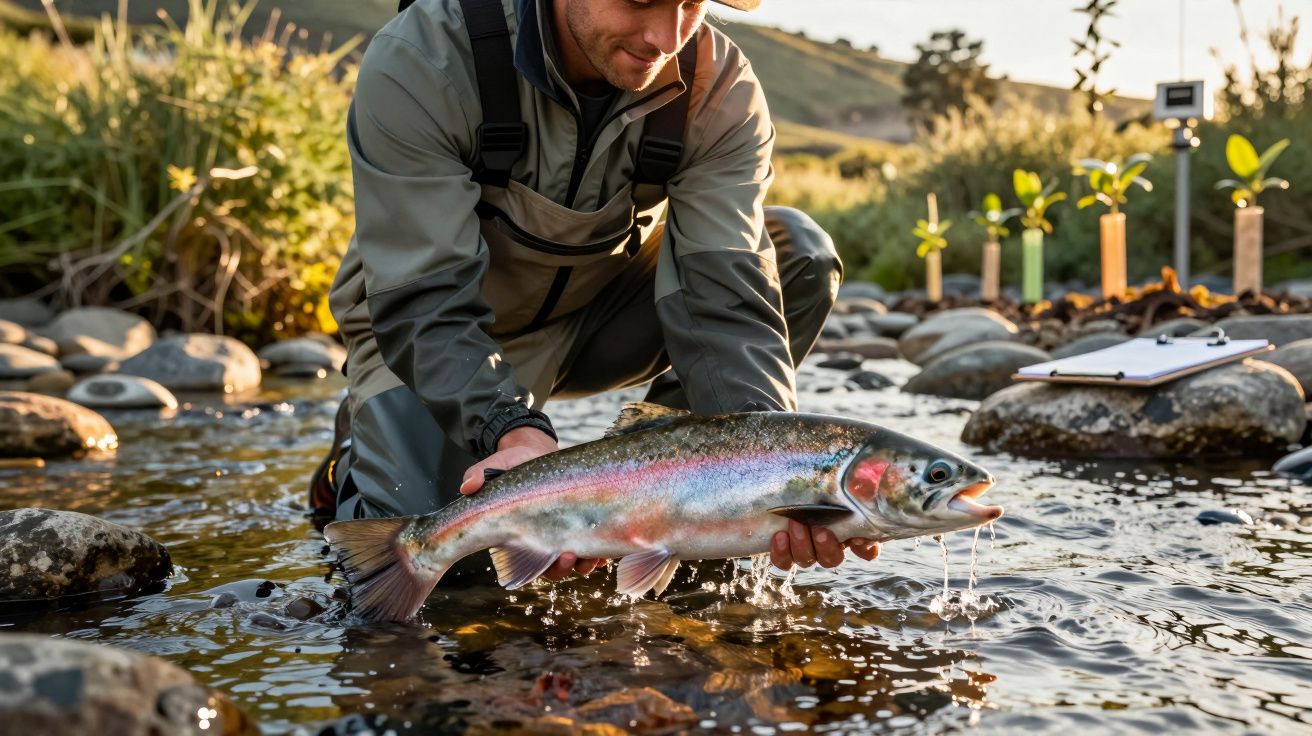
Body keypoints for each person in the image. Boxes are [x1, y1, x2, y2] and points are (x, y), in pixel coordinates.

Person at [316, 0, 881, 583]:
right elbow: (423, 300)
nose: (666, 37)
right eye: (641, 0)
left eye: (690, 4)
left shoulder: (720, 88)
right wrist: (510, 427)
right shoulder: (424, 57)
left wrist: (772, 479)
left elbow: (727, 301)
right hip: (438, 340)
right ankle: (350, 462)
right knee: (430, 573)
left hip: (598, 320)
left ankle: (670, 512)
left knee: (798, 254)